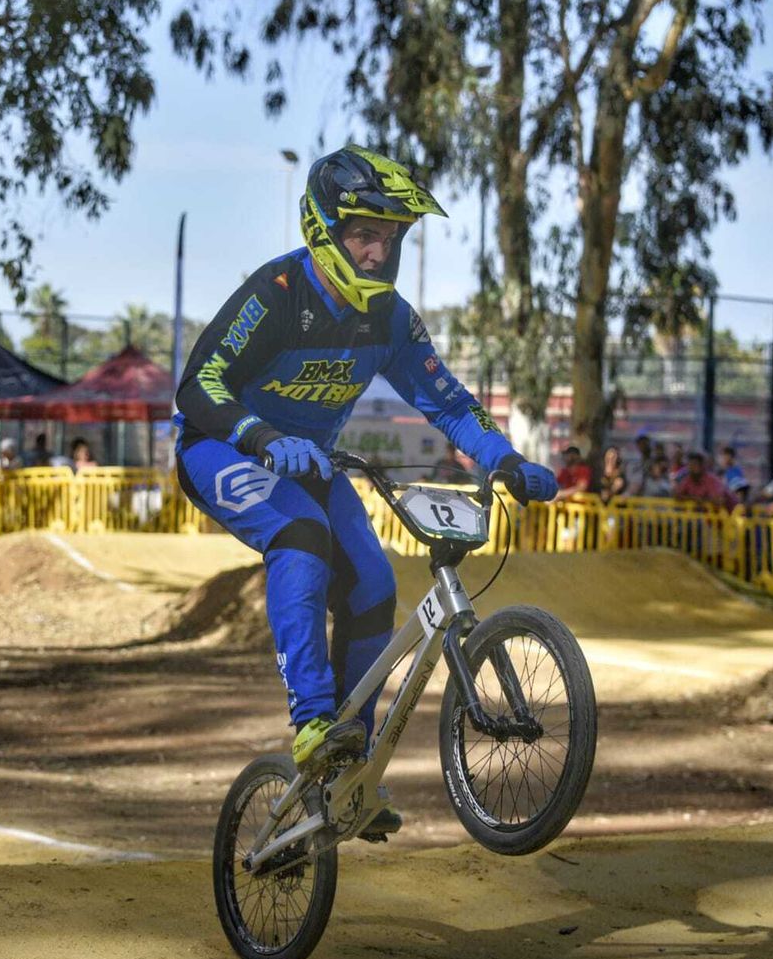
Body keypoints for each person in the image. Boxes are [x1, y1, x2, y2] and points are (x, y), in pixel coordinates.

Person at [173, 144, 557, 841]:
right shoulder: (279, 295)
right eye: (363, 235)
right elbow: (198, 386)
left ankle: (347, 765)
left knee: (376, 584)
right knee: (302, 538)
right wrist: (259, 436)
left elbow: (446, 401)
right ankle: (313, 721)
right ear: (324, 230)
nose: (378, 253)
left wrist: (503, 459)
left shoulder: (390, 320)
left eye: (389, 238)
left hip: (313, 461)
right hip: (221, 448)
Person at [673, 450, 739, 510]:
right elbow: (677, 495)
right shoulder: (688, 479)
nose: (691, 468)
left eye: (694, 465)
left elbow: (719, 501)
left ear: (702, 466)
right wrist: (694, 499)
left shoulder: (712, 480)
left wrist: (702, 500)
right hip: (713, 519)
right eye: (690, 465)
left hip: (734, 515)